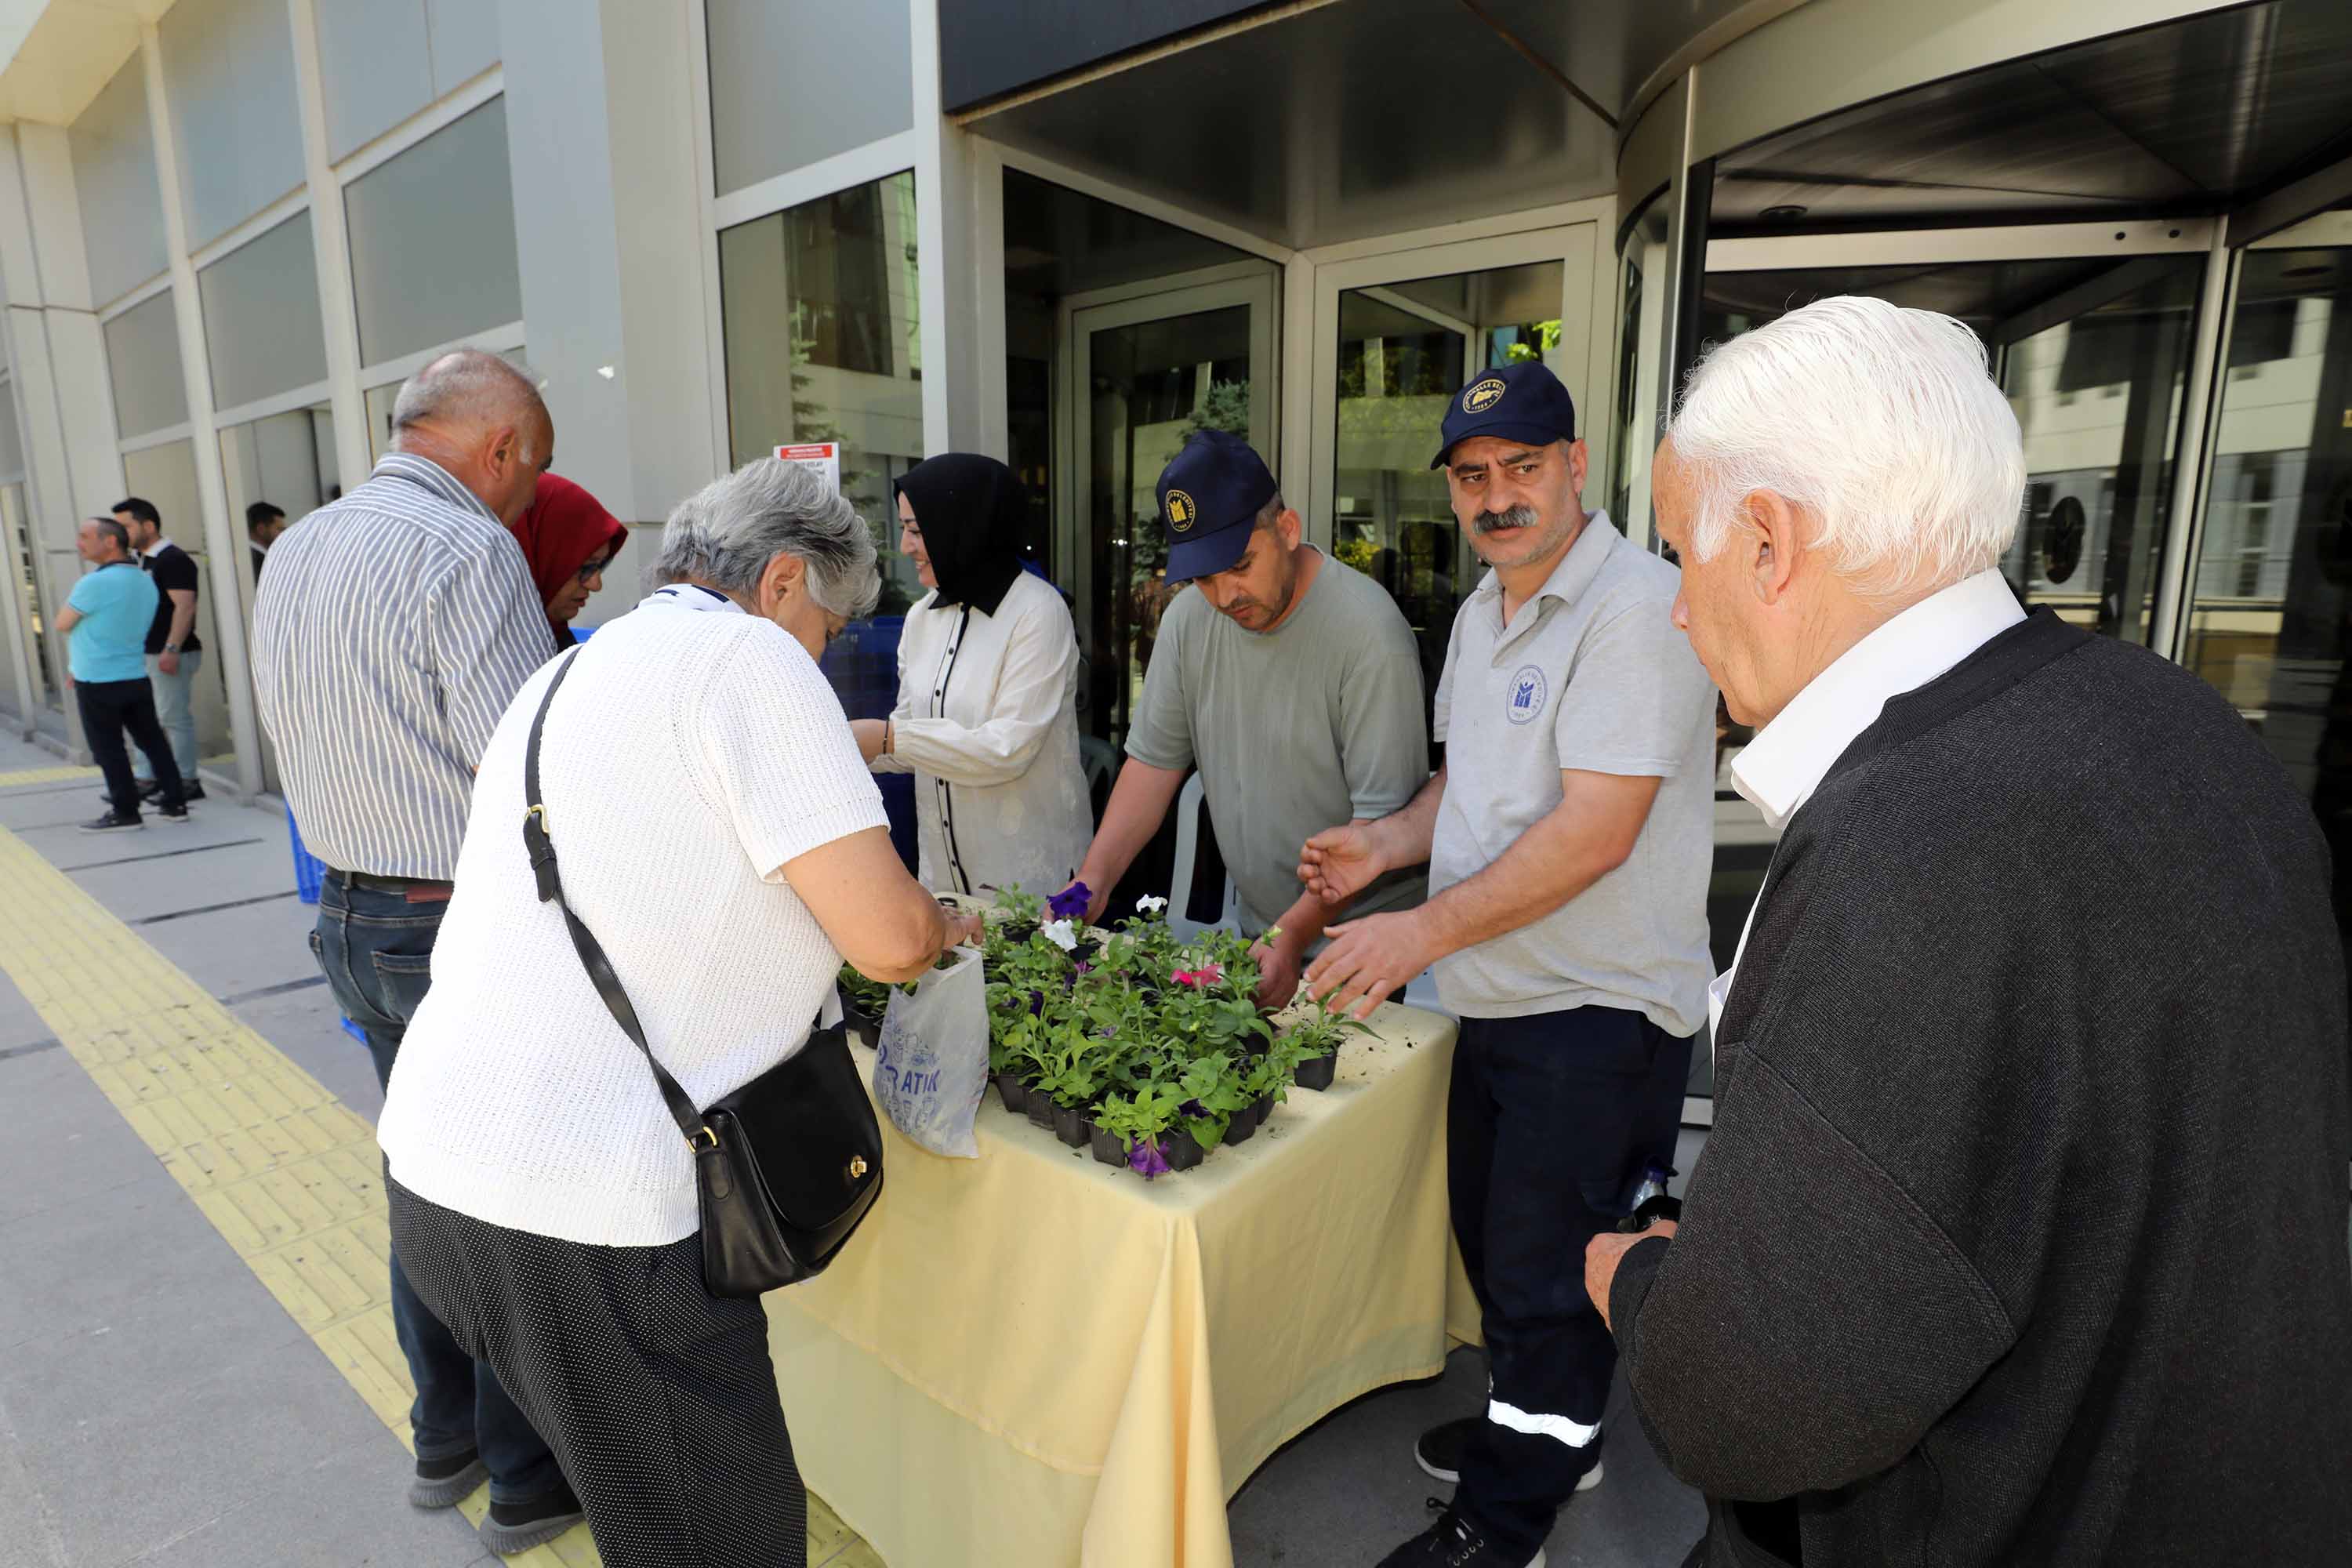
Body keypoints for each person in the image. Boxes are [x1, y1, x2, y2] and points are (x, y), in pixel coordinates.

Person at [1585, 297, 2352, 1566]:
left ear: (1769, 543)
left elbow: (1751, 1408)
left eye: (1682, 555)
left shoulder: (1914, 848)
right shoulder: (2186, 725)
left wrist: (1646, 1289)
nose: (1677, 610)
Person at [379, 457, 987, 1568]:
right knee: (719, 1542)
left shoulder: (569, 672)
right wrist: (944, 921)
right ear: (786, 582)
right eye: (830, 628)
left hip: (437, 1178)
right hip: (588, 1215)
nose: (823, 655)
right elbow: (892, 940)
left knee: (638, 1506)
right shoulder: (750, 657)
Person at [1299, 361, 1715, 1568]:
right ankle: (1552, 1439)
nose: (1496, 496)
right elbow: (1467, 792)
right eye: (1474, 477)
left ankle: (1503, 1522)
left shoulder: (1639, 609)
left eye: (1521, 468)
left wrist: (1413, 934)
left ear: (1576, 465)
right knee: (1503, 1255)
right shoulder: (1484, 612)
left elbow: (1598, 828)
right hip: (1497, 999)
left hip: (1596, 1010)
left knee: (1542, 1279)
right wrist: (1384, 843)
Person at [251, 349, 579, 1555]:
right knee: (507, 1203)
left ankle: (444, 1438)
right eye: (531, 473)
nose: (528, 500)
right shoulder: (468, 550)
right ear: (497, 450)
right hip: (452, 919)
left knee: (423, 1181)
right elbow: (523, 766)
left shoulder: (301, 547)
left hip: (343, 909)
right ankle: (527, 1476)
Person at [1065, 429, 1428, 1007]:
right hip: (1261, 930)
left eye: (1239, 564)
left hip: (1363, 944)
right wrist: (1093, 881)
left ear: (1288, 530)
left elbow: (1377, 829)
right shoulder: (1188, 621)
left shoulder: (1369, 636)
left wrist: (1294, 936)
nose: (1224, 595)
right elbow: (1152, 767)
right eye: (1204, 577)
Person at [848, 452, 1089, 896]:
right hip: (945, 886)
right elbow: (908, 739)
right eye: (904, 529)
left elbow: (1007, 749)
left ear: (963, 526)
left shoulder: (1038, 612)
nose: (905, 547)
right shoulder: (921, 618)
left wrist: (887, 737)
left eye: (917, 531)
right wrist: (838, 742)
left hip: (1031, 887)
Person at [54, 517, 188, 831]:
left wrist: (77, 667)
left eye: (85, 536)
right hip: (133, 675)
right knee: (153, 741)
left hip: (97, 680)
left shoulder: (94, 583)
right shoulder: (144, 579)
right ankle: (175, 803)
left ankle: (126, 812)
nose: (79, 543)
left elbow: (62, 623)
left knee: (108, 748)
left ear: (110, 541)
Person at [113, 496, 205, 804]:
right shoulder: (139, 560)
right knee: (145, 719)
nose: (121, 532)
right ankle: (147, 777)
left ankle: (187, 780)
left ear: (148, 525)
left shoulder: (173, 559)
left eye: (126, 525)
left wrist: (171, 648)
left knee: (173, 718)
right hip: (144, 654)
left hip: (167, 653)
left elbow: (185, 606)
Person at [508, 471, 628, 657]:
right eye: (585, 567)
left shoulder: (556, 641)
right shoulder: (492, 653)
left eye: (601, 566)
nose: (596, 585)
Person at [247, 501, 286, 583]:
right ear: (261, 529)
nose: (284, 535)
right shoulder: (260, 563)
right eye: (280, 529)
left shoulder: (248, 557)